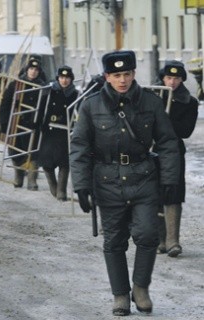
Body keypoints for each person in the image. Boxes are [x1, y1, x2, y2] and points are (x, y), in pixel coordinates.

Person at [70, 50, 180, 316]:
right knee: (115, 240)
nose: (122, 80)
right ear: (107, 76)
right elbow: (80, 146)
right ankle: (120, 295)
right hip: (107, 181)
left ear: (134, 74)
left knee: (147, 235)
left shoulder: (150, 103)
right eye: (116, 75)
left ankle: (140, 288)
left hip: (143, 177)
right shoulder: (91, 105)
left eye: (127, 74)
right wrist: (81, 185)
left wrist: (169, 179)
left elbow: (167, 142)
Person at [155, 60, 199, 257]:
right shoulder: (151, 97)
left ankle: (173, 241)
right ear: (162, 78)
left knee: (172, 192)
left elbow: (186, 131)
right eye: (168, 77)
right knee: (153, 194)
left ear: (182, 80)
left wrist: (164, 124)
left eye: (177, 78)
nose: (172, 82)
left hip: (173, 151)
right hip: (151, 150)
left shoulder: (189, 102)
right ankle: (159, 240)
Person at [0, 58, 46, 190]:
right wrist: (4, 123)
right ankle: (18, 176)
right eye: (31, 69)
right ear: (26, 70)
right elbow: (5, 105)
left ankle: (32, 180)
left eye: (36, 70)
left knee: (33, 152)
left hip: (33, 125)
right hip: (16, 123)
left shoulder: (43, 87)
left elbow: (45, 108)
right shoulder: (16, 85)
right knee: (15, 150)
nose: (33, 72)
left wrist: (39, 122)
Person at [39, 66, 78, 200]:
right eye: (62, 77)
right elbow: (41, 109)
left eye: (67, 78)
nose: (64, 80)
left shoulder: (75, 94)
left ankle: (61, 191)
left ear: (71, 79)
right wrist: (39, 125)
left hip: (66, 131)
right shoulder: (50, 91)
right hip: (50, 130)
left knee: (64, 162)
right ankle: (53, 186)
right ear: (58, 78)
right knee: (47, 162)